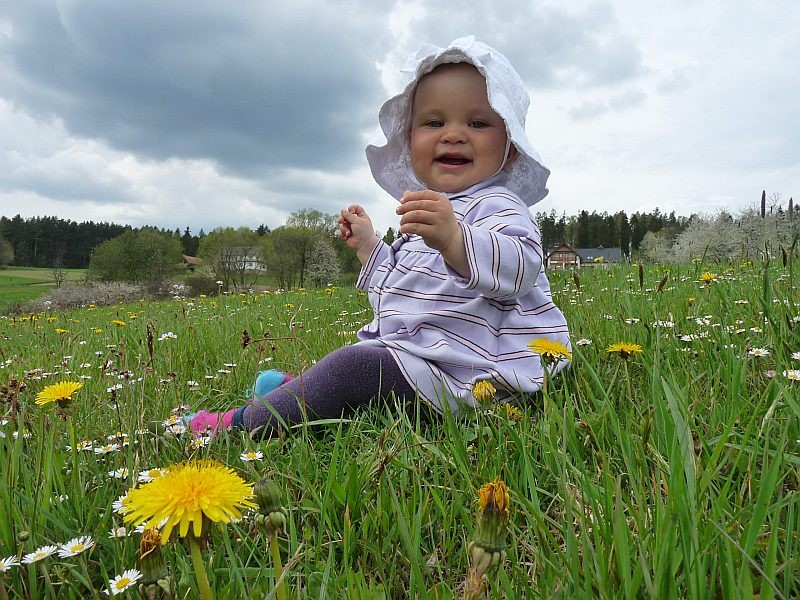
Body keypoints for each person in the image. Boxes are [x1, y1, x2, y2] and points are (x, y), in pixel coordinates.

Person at [189, 37, 570, 439]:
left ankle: (238, 426)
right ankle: (295, 394)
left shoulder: (499, 205)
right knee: (360, 364)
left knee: (355, 369)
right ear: (409, 140)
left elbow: (521, 268)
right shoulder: (426, 214)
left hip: (473, 374)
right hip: (421, 363)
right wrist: (369, 246)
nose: (454, 134)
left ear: (509, 148)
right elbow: (398, 293)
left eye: (477, 123)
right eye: (434, 122)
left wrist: (456, 240)